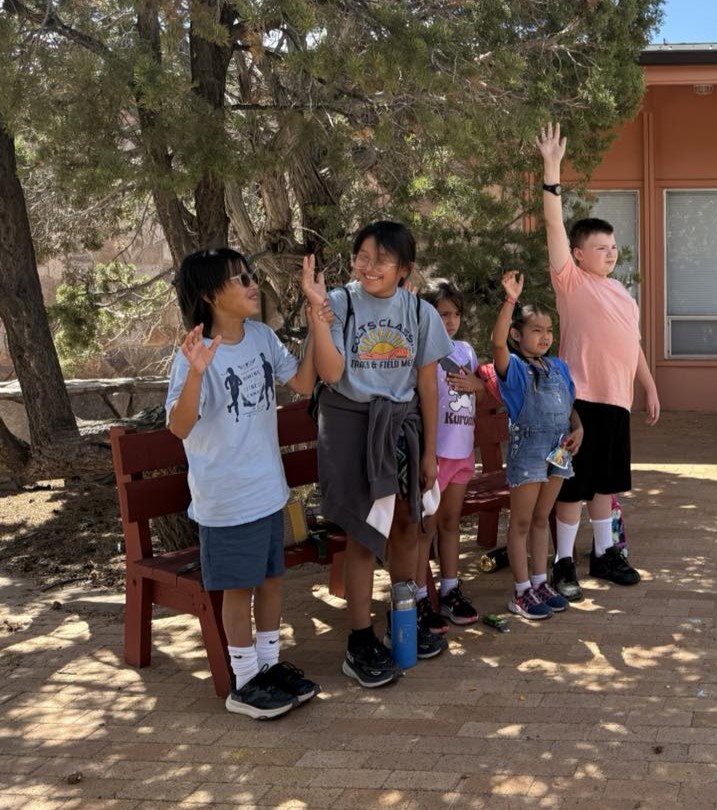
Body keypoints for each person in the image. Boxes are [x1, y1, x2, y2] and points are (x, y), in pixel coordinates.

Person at [165, 247, 328, 719]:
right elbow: (179, 426)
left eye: (249, 274)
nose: (251, 283)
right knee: (239, 588)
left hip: (268, 490)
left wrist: (318, 318)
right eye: (239, 279)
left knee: (272, 580)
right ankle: (244, 682)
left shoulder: (259, 336)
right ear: (209, 295)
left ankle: (269, 667)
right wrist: (197, 372)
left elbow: (301, 382)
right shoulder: (193, 353)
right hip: (227, 499)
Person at [310, 221, 453, 688]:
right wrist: (315, 310)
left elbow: (429, 384)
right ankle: (358, 640)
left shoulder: (419, 313)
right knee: (362, 531)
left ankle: (403, 617)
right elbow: (329, 373)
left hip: (401, 428)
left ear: (404, 269)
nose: (369, 267)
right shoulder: (338, 303)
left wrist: (431, 450)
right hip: (352, 425)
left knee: (409, 523)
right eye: (363, 256)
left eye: (382, 259)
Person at [535, 122, 659, 596]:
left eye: (613, 248)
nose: (610, 254)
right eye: (600, 248)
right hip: (578, 402)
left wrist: (648, 385)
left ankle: (604, 555)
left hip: (616, 402)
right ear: (579, 254)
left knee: (606, 486)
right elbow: (552, 223)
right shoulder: (571, 282)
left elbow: (634, 344)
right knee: (572, 486)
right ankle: (563, 562)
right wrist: (552, 168)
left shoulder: (623, 294)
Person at [491, 270, 583, 619]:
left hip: (559, 448)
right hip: (528, 450)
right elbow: (497, 344)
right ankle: (521, 590)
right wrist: (510, 300)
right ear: (518, 334)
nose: (545, 337)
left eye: (549, 331)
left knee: (544, 518)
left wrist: (580, 430)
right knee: (522, 522)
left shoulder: (558, 367)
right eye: (536, 330)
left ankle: (541, 581)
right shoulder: (513, 367)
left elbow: (570, 406)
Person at [416, 280, 484, 631]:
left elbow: (480, 389)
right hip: (436, 454)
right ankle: (418, 597)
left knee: (451, 521)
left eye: (456, 313)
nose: (451, 320)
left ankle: (449, 589)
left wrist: (479, 385)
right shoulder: (421, 351)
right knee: (425, 527)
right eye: (443, 314)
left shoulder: (466, 351)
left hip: (462, 453)